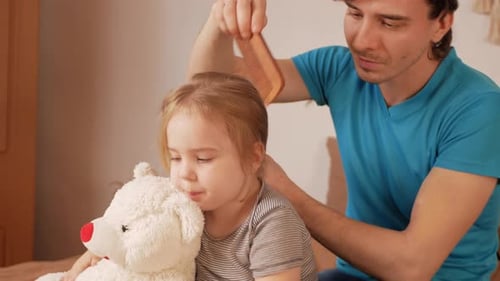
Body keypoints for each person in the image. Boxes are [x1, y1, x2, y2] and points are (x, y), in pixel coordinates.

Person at [186, 0, 500, 280]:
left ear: (442, 23)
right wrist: (221, 18)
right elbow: (209, 89)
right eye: (354, 12)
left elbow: (411, 266)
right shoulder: (339, 69)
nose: (362, 41)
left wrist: (285, 193)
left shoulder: (480, 109)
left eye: (389, 23)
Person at [61, 71, 318, 281]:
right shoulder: (184, 203)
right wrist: (97, 257)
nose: (184, 174)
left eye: (203, 159)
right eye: (175, 157)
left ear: (253, 157)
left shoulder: (272, 222)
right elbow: (127, 238)